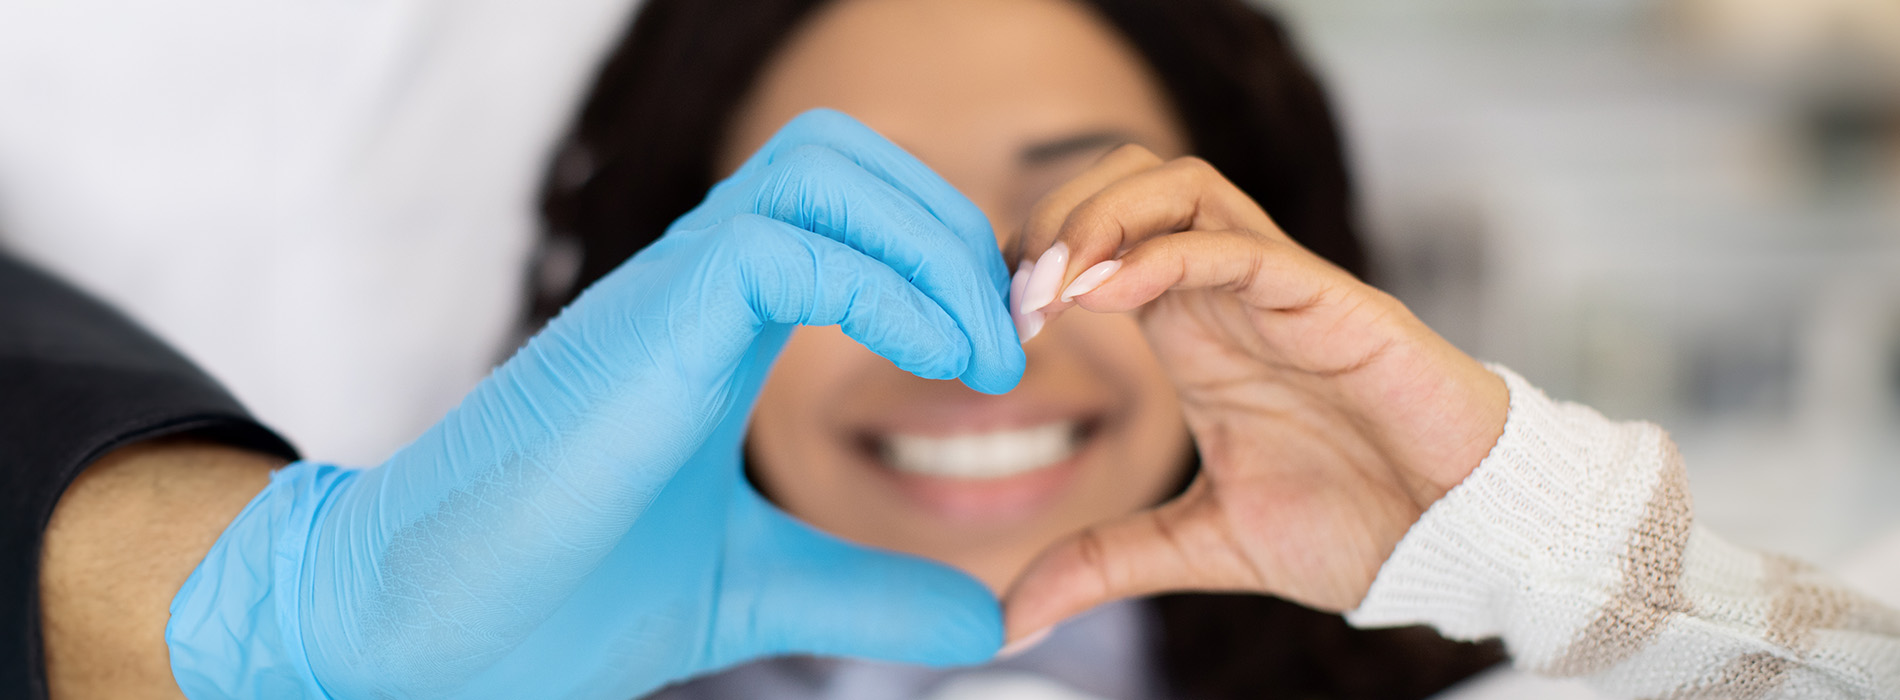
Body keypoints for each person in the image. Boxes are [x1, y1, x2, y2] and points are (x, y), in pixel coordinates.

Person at [16, 2, 1898, 700]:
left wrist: (1524, 531)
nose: (981, 355)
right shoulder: (433, 657)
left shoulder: (1522, 655)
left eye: (1092, 228)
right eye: (833, 249)